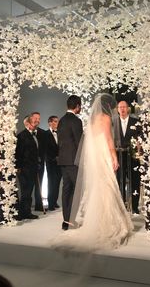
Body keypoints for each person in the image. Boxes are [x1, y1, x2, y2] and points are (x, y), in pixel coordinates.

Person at [54, 94, 133, 251]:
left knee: (96, 187)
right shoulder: (106, 118)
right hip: (103, 154)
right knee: (107, 186)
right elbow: (109, 140)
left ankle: (92, 221)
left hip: (94, 156)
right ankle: (108, 223)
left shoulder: (92, 120)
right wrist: (114, 157)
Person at [57, 95, 83, 230]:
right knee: (75, 190)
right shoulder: (76, 121)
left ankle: (66, 220)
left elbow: (59, 141)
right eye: (80, 105)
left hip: (63, 160)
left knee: (66, 190)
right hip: (74, 161)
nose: (81, 108)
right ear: (77, 106)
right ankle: (70, 220)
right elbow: (80, 143)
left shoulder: (61, 120)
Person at [115, 100, 141, 214]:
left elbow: (140, 139)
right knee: (120, 180)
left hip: (133, 156)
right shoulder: (113, 122)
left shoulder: (136, 122)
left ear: (128, 108)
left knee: (135, 181)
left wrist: (139, 151)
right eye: (120, 107)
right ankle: (122, 206)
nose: (122, 109)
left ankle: (134, 207)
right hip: (119, 155)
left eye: (124, 107)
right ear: (117, 109)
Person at [15, 115, 39, 220]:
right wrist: (18, 167)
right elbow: (18, 153)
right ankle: (21, 213)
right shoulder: (21, 136)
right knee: (25, 191)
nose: (36, 123)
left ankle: (27, 212)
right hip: (24, 168)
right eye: (34, 122)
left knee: (29, 192)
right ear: (27, 124)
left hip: (32, 168)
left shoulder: (34, 135)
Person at [45, 116, 62, 211]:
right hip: (51, 162)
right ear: (50, 123)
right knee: (51, 182)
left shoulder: (60, 133)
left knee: (57, 182)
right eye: (55, 121)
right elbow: (46, 149)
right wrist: (53, 158)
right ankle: (50, 203)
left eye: (57, 121)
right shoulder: (46, 134)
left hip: (60, 162)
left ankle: (54, 201)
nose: (57, 123)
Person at [30, 112, 46, 211]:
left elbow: (44, 148)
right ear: (30, 119)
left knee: (39, 184)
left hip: (40, 163)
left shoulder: (43, 133)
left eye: (39, 118)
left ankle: (39, 205)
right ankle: (26, 208)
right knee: (29, 186)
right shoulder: (25, 133)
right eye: (36, 118)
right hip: (30, 164)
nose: (37, 120)